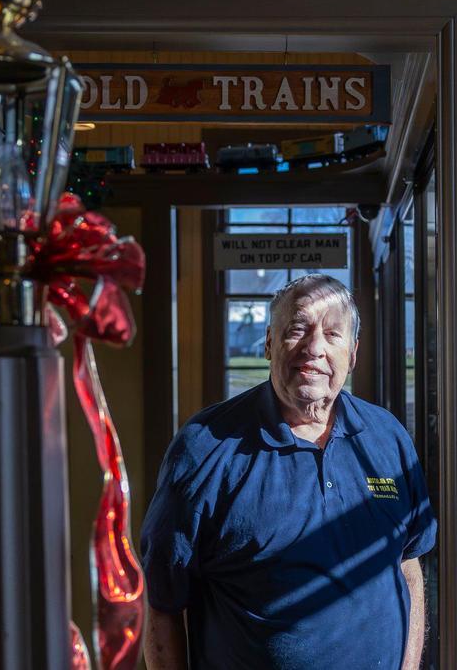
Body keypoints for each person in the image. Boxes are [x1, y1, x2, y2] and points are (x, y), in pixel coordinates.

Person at [140, 274, 437, 670]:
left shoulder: (388, 437)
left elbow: (408, 566)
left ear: (352, 354)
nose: (314, 348)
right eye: (298, 329)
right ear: (268, 342)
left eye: (333, 334)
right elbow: (160, 602)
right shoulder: (205, 446)